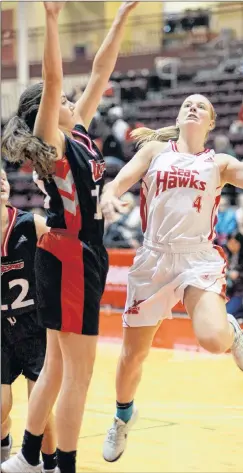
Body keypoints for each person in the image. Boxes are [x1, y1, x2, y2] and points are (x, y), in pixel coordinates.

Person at [100, 90, 243, 462]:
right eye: (186, 105)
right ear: (179, 120)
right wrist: (110, 195)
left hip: (196, 259)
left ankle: (231, 329)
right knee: (133, 357)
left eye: (201, 107)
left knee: (213, 341)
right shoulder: (154, 152)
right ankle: (122, 417)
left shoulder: (219, 163)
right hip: (153, 260)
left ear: (210, 124)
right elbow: (119, 181)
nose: (193, 108)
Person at [1, 2, 138, 473]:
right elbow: (55, 78)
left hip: (71, 254)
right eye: (58, 96)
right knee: (79, 374)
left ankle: (27, 457)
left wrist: (121, 16)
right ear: (46, 106)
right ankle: (65, 466)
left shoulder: (76, 125)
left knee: (58, 367)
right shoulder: (52, 140)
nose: (69, 96)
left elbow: (101, 67)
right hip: (72, 254)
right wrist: (54, 22)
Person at [1, 169, 56, 473]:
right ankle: (4, 444)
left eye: (3, 178)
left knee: (41, 406)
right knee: (1, 408)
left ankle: (49, 465)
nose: (1, 182)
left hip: (34, 325)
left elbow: (65, 249)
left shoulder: (29, 223)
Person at [224, 232, 243, 319]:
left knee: (227, 314)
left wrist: (238, 275)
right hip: (228, 292)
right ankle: (242, 312)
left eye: (235, 243)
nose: (232, 246)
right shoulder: (227, 256)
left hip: (240, 293)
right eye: (230, 243)